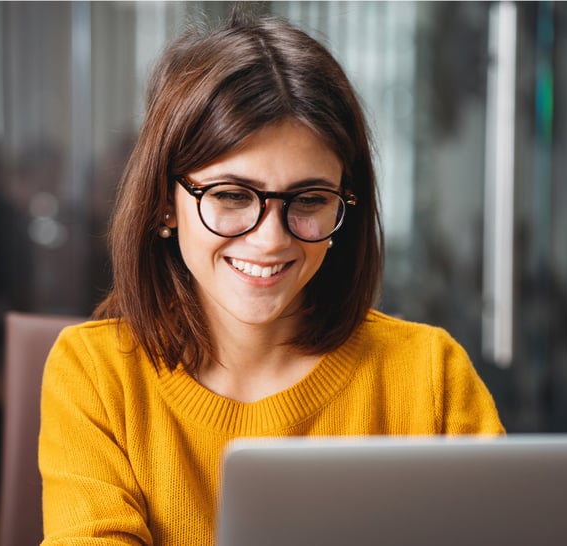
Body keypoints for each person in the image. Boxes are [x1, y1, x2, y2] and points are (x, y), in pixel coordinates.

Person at [39, 9, 504, 546]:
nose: (271, 239)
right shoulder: (96, 375)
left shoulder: (430, 376)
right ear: (166, 204)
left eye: (308, 200)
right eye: (233, 196)